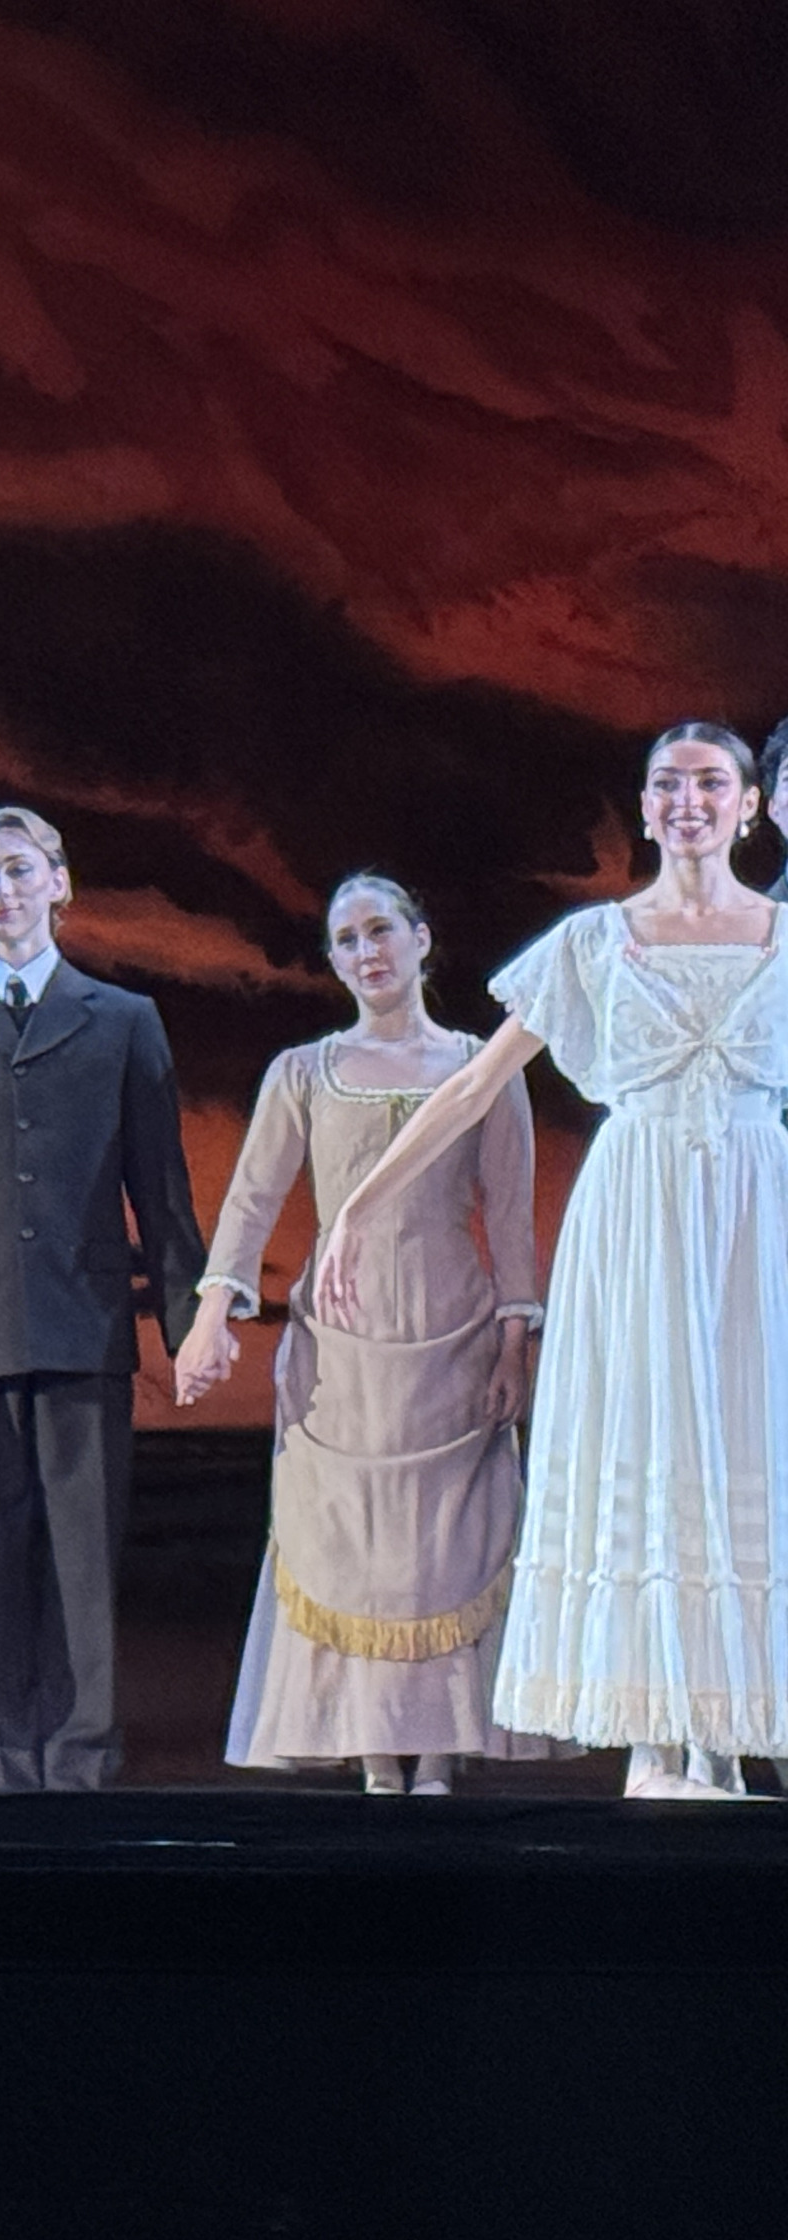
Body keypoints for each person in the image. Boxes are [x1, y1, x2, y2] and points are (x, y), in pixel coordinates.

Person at [317, 725, 788, 1800]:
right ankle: (653, 1741)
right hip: (638, 1216)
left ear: (748, 806)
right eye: (665, 783)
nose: (686, 800)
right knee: (650, 1442)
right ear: (644, 806)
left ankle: (723, 1737)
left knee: (747, 1443)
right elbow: (472, 1086)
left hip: (756, 1214)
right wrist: (357, 1207)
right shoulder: (592, 944)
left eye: (709, 782)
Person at [174, 875, 550, 1796]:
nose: (366, 951)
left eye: (381, 930)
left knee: (444, 1546)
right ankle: (376, 1752)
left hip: (452, 1332)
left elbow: (510, 1212)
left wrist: (514, 1341)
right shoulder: (305, 1071)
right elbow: (252, 1200)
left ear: (422, 939)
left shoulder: (482, 1066)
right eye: (346, 939)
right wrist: (211, 1317)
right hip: (340, 1346)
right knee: (354, 1543)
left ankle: (440, 1753)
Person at [0, 805, 208, 1792]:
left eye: (18, 870)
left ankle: (79, 1760)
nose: (1, 890)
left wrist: (188, 1326)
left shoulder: (123, 1020)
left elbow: (162, 1192)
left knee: (81, 1561)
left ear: (59, 882)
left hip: (85, 1325)